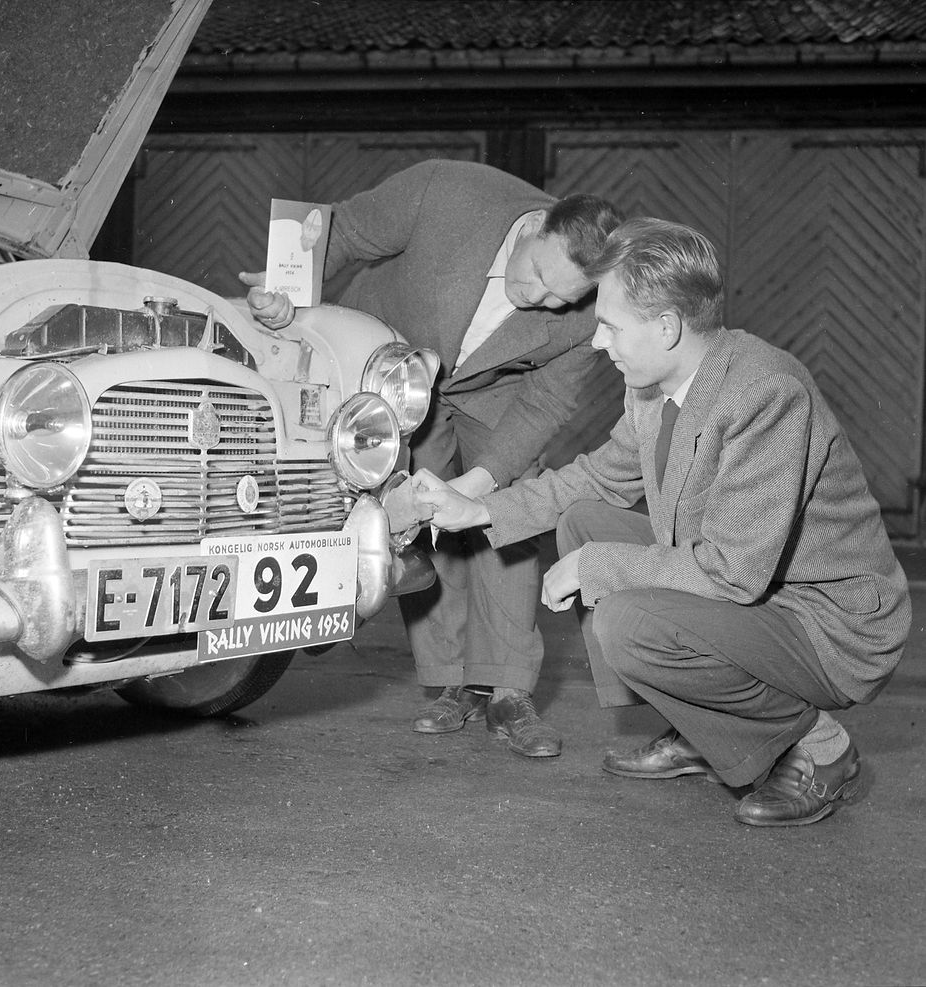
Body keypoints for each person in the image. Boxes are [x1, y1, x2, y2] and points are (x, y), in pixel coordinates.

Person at [413, 216, 911, 826]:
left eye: (610, 326)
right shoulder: (654, 386)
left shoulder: (765, 395)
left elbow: (733, 573)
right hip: (760, 594)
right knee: (585, 520)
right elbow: (598, 476)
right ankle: (701, 729)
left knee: (625, 618)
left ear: (668, 327)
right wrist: (480, 508)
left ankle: (822, 748)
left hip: (828, 623)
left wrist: (595, 568)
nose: (598, 344)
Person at [240, 159, 622, 758]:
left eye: (561, 298)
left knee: (507, 511)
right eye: (540, 275)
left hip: (495, 395)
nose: (541, 300)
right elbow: (341, 230)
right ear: (536, 225)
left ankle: (506, 690)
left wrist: (477, 487)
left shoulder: (588, 311)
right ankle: (448, 685)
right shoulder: (447, 192)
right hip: (392, 360)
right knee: (408, 514)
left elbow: (546, 402)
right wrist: (285, 292)